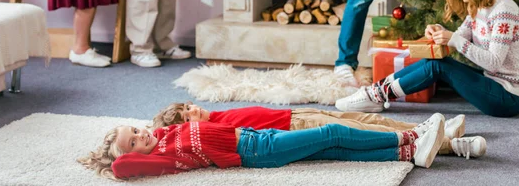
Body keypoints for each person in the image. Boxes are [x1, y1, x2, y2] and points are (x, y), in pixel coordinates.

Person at [336, 0, 519, 119]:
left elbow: (493, 62)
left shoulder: (503, 10)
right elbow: (458, 36)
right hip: (495, 83)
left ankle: (376, 96)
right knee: (432, 63)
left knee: (438, 67)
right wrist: (440, 32)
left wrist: (454, 39)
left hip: (511, 97)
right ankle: (375, 92)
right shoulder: (479, 7)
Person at [78, 118, 444, 180]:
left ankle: (406, 155)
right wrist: (115, 155)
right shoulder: (161, 158)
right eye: (133, 141)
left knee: (330, 151)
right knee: (330, 132)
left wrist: (139, 134)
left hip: (254, 136)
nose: (141, 135)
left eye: (135, 130)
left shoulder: (167, 133)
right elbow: (122, 168)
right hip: (258, 152)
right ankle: (408, 136)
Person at [152, 102, 486, 159]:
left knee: (368, 119)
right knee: (357, 129)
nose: (193, 110)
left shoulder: (218, 112)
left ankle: (426, 128)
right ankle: (443, 143)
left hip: (297, 112)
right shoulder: (214, 130)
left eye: (187, 106)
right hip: (297, 125)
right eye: (187, 116)